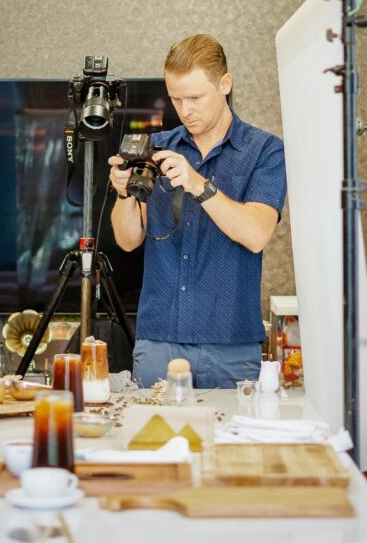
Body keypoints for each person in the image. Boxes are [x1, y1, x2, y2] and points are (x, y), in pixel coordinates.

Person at [108, 33, 286, 388]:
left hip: (232, 344)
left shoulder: (265, 151)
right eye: (176, 98)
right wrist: (124, 193)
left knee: (232, 444)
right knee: (152, 441)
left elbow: (256, 235)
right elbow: (128, 240)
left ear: (225, 84)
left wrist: (198, 184)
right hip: (158, 340)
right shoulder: (155, 149)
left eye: (195, 97)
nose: (185, 110)